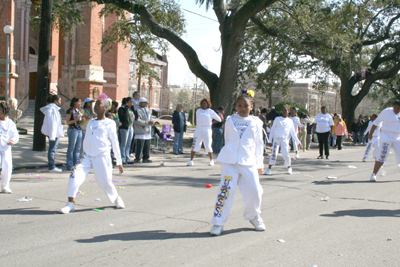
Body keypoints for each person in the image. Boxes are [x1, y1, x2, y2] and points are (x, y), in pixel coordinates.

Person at [209, 90, 264, 236]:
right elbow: (227, 139)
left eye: (245, 106)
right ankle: (218, 223)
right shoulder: (230, 120)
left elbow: (259, 144)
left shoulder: (257, 122)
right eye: (239, 106)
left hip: (248, 161)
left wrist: (259, 164)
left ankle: (253, 216)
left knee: (255, 191)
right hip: (230, 161)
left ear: (251, 106)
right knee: (225, 191)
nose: (242, 109)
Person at [59, 99, 125, 213]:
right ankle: (70, 203)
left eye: (99, 104)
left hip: (102, 155)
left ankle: (117, 198)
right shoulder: (91, 122)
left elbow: (115, 142)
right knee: (74, 176)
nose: (95, 106)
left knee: (104, 182)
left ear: (105, 108)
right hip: (86, 156)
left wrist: (119, 161)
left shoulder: (110, 123)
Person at [264, 105, 301, 175]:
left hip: (284, 140)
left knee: (286, 154)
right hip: (277, 139)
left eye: (286, 110)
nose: (284, 112)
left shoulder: (290, 121)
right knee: (274, 153)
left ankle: (289, 167)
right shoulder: (277, 119)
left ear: (288, 111)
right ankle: (269, 168)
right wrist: (270, 141)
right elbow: (272, 130)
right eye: (283, 110)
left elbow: (293, 133)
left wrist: (298, 142)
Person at [368, 100, 400, 182]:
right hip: (386, 135)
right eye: (395, 108)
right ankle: (373, 174)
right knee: (382, 154)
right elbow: (376, 122)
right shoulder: (386, 112)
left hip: (397, 136)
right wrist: (370, 133)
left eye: (398, 109)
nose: (396, 110)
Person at [187, 98, 221, 166]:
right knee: (195, 144)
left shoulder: (210, 111)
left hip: (207, 129)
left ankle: (211, 160)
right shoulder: (198, 111)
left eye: (205, 103)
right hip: (198, 129)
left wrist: (212, 122)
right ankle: (191, 160)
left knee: (208, 145)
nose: (204, 105)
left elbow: (219, 119)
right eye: (202, 104)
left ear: (208, 104)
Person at [41, 95, 65, 172]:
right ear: (55, 101)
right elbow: (52, 123)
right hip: (53, 133)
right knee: (52, 149)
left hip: (54, 132)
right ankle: (51, 166)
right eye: (59, 100)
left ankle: (52, 165)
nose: (60, 102)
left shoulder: (53, 109)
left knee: (53, 149)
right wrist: (52, 135)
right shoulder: (51, 110)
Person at [0, 101, 19, 193]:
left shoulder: (10, 123)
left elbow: (15, 134)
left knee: (7, 167)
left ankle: (5, 186)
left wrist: (13, 140)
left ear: (5, 111)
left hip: (6, 148)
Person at [134, 97, 154, 163]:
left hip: (147, 130)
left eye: (146, 103)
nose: (145, 104)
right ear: (141, 103)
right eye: (144, 103)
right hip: (141, 130)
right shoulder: (137, 110)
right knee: (140, 145)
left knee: (147, 145)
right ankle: (137, 158)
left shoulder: (147, 110)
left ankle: (146, 158)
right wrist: (146, 122)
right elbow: (137, 120)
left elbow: (150, 117)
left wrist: (151, 121)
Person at [66, 97, 83, 170]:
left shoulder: (79, 110)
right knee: (71, 148)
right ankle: (70, 164)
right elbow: (67, 122)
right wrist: (76, 120)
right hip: (73, 130)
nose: (80, 103)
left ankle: (76, 163)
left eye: (80, 102)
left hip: (79, 129)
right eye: (79, 101)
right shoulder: (70, 110)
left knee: (78, 148)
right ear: (74, 102)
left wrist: (82, 120)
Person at [118, 97, 134, 164]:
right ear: (126, 102)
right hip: (124, 127)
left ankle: (128, 158)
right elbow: (123, 117)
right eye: (130, 102)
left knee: (128, 144)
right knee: (123, 143)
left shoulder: (130, 108)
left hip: (130, 127)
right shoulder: (122, 108)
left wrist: (133, 108)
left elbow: (135, 116)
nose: (131, 103)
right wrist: (127, 108)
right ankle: (122, 158)